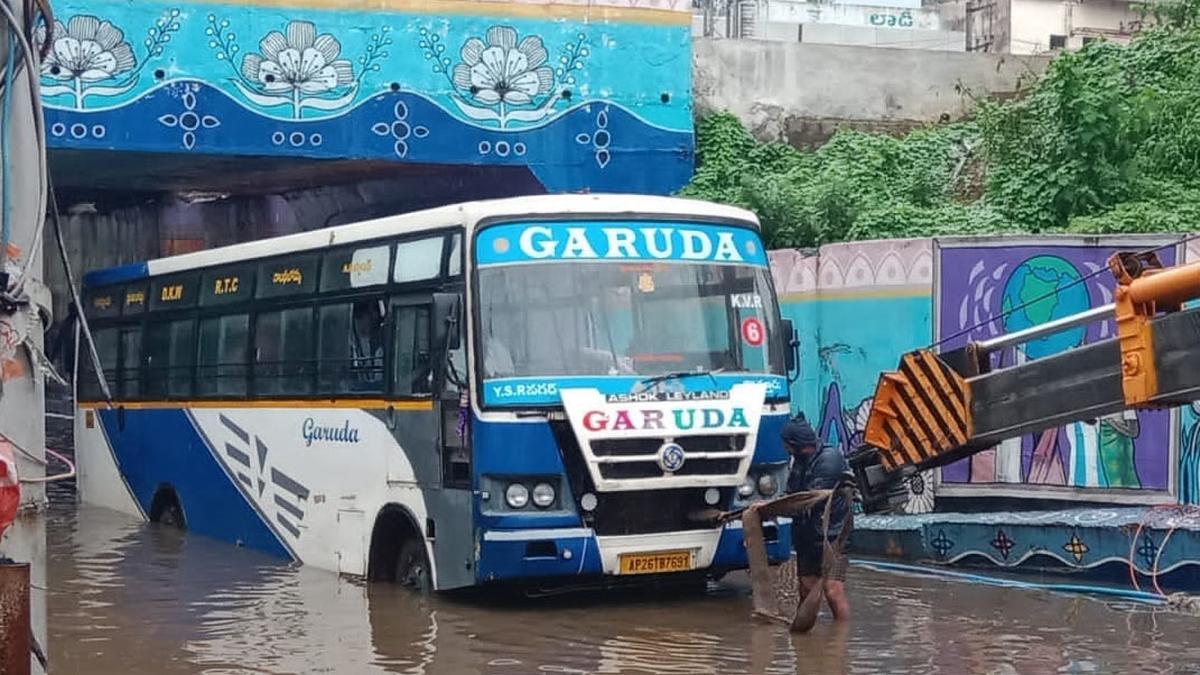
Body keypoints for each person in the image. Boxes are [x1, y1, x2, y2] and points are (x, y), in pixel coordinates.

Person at [782, 413, 852, 621]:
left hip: (834, 537)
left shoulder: (829, 460)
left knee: (833, 590)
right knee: (805, 588)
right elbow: (792, 492)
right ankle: (804, 640)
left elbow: (808, 498)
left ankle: (840, 639)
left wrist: (779, 507)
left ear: (795, 444)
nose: (785, 448)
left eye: (786, 444)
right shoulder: (800, 461)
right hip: (807, 536)